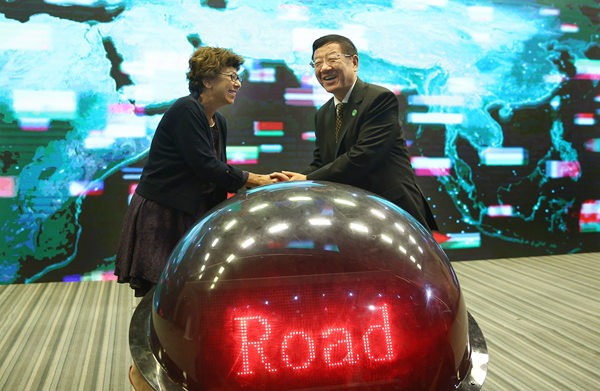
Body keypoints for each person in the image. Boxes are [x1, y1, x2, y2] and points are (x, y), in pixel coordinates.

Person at [115, 46, 276, 297]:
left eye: (238, 77)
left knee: (186, 292)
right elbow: (206, 166)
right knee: (162, 295)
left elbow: (216, 172)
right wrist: (255, 180)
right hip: (164, 214)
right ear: (207, 80)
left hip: (190, 213)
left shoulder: (218, 120)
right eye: (231, 77)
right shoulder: (185, 110)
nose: (238, 84)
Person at [276, 34, 438, 231]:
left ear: (354, 62)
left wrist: (307, 180)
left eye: (332, 59)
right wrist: (293, 181)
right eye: (317, 63)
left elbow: (363, 157)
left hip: (392, 211)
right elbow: (321, 163)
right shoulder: (323, 114)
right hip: (351, 216)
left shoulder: (379, 99)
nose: (324, 68)